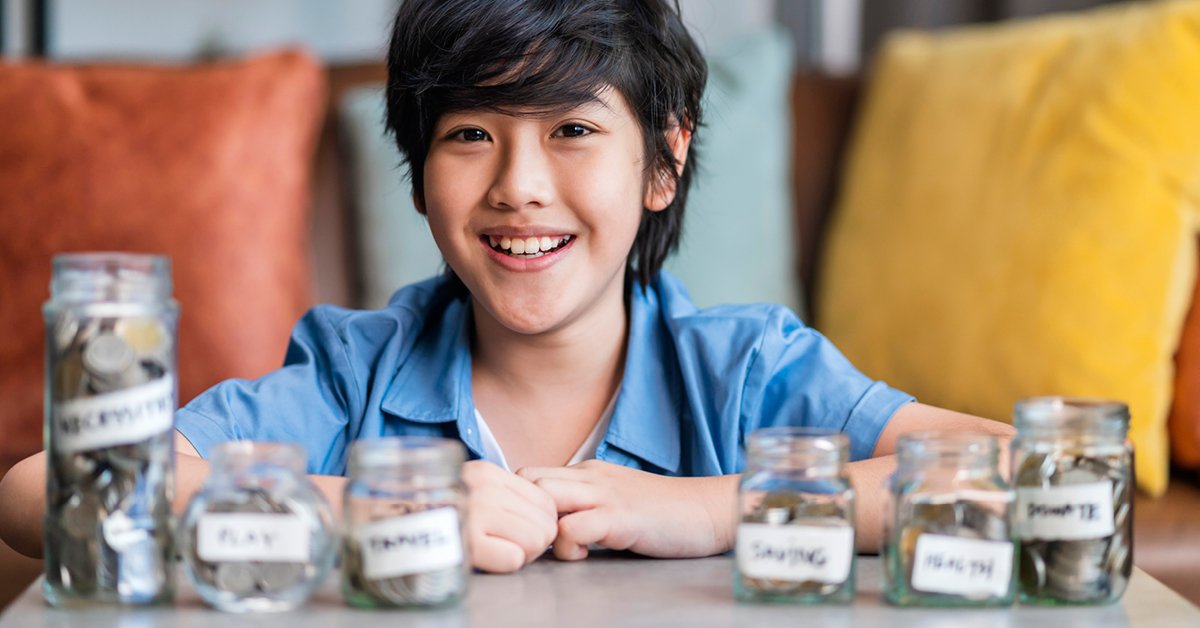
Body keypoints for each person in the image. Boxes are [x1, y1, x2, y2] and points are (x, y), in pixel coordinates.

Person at [0, 0, 1014, 573]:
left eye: (573, 131)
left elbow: (1019, 470)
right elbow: (45, 488)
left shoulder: (745, 369)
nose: (519, 188)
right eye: (471, 135)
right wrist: (364, 511)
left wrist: (715, 509)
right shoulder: (355, 372)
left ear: (663, 164)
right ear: (419, 173)